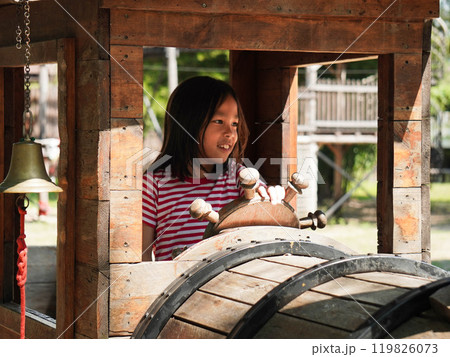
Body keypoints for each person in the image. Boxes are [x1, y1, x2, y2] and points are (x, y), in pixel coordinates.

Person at [143, 76, 285, 261]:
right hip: (175, 288)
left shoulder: (238, 176)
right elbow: (141, 257)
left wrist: (271, 198)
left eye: (235, 123)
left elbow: (261, 201)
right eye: (219, 121)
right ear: (187, 124)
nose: (230, 132)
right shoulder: (154, 183)